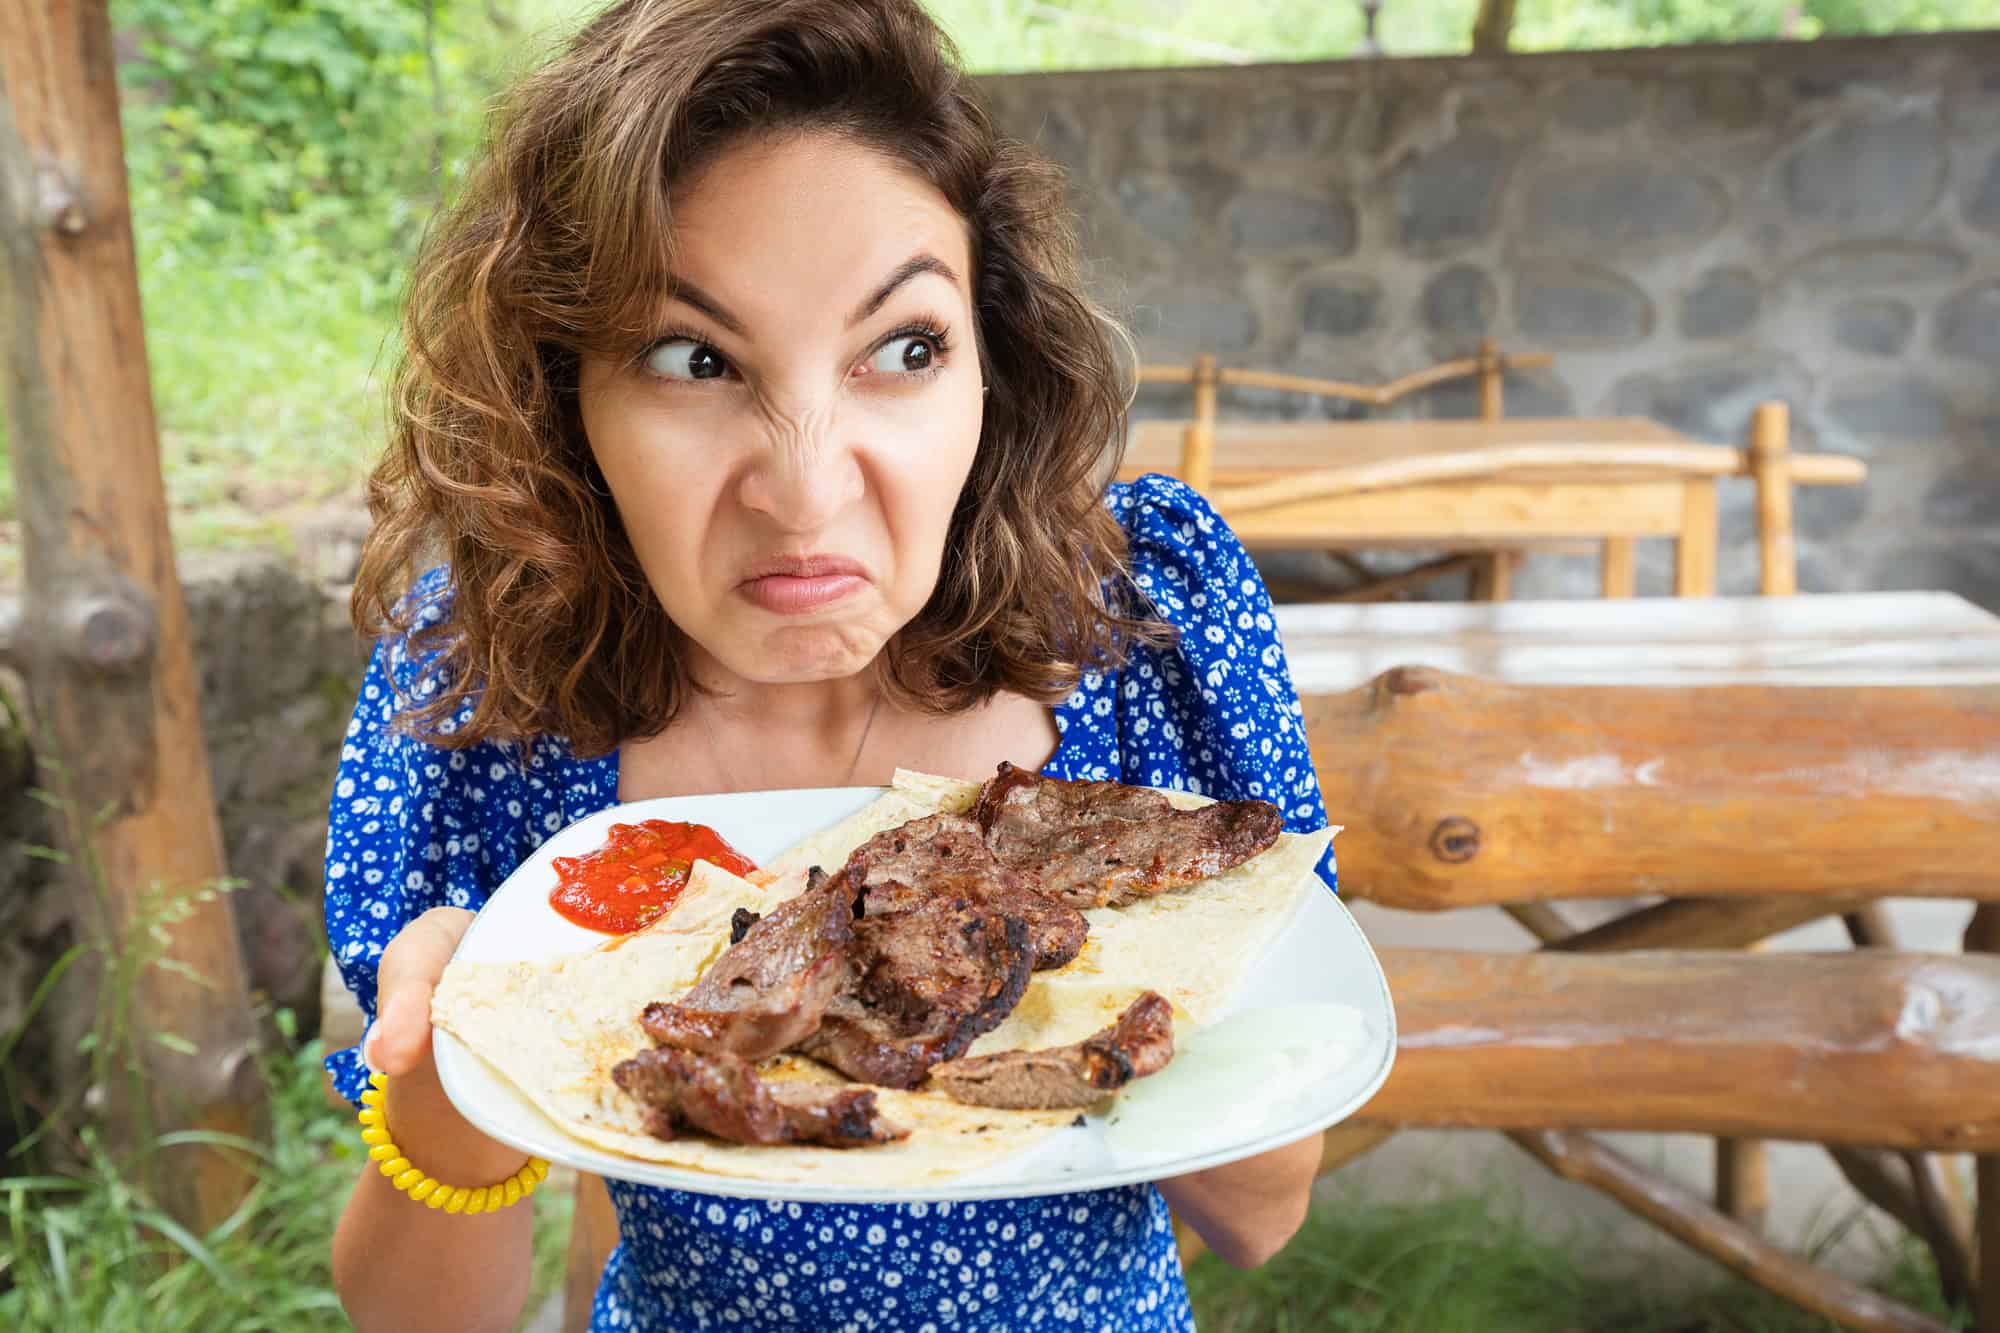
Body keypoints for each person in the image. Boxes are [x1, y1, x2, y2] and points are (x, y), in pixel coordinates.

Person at [324, 1, 1337, 1328]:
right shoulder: (497, 696)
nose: (804, 494)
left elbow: (1263, 1216)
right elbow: (425, 1321)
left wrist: (1122, 994)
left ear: (992, 367)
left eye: (903, 351)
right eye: (695, 359)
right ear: (563, 397)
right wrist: (444, 1073)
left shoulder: (1139, 630)